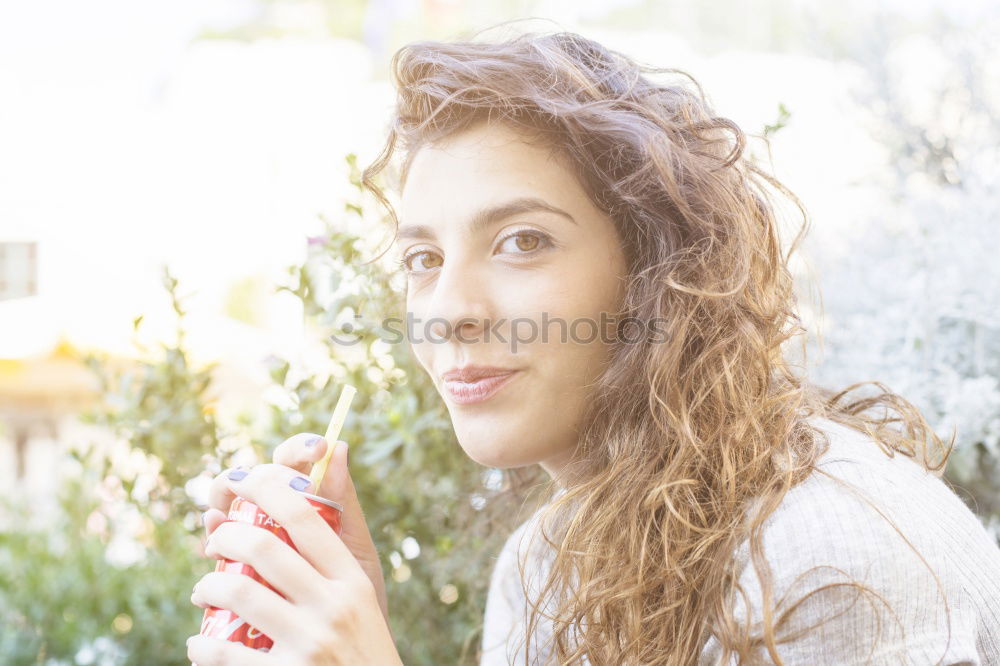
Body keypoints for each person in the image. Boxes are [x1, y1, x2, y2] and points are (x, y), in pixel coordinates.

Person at [187, 27, 1000, 665]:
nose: (449, 313)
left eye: (522, 241)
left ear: (656, 270)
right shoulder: (542, 564)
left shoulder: (828, 560)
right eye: (423, 260)